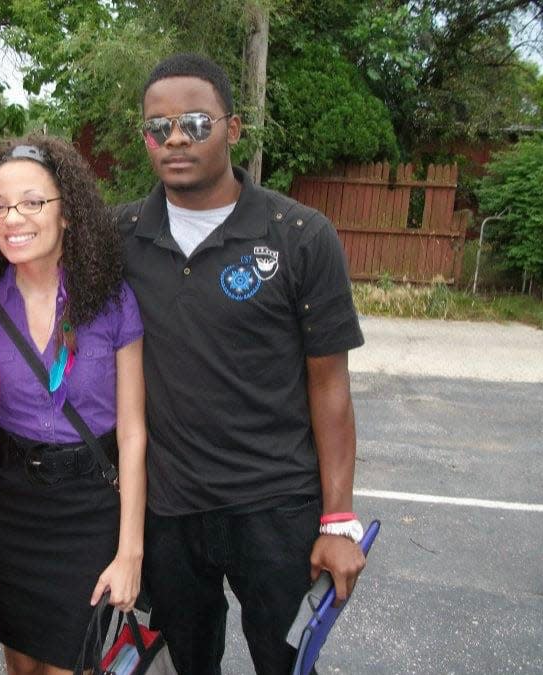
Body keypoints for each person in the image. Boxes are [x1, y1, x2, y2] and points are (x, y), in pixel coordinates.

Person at [114, 53, 367, 675]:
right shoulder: (119, 235)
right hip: (170, 511)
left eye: (196, 123)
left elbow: (330, 388)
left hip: (276, 509)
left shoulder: (299, 235)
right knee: (190, 662)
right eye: (158, 127)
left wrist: (338, 520)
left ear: (233, 127)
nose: (176, 138)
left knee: (282, 663)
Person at [0, 135, 147, 675]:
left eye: (32, 202)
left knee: (73, 667)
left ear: (68, 214)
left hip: (88, 510)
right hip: (8, 508)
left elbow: (134, 433)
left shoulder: (112, 301)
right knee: (21, 665)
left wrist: (130, 550)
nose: (13, 218)